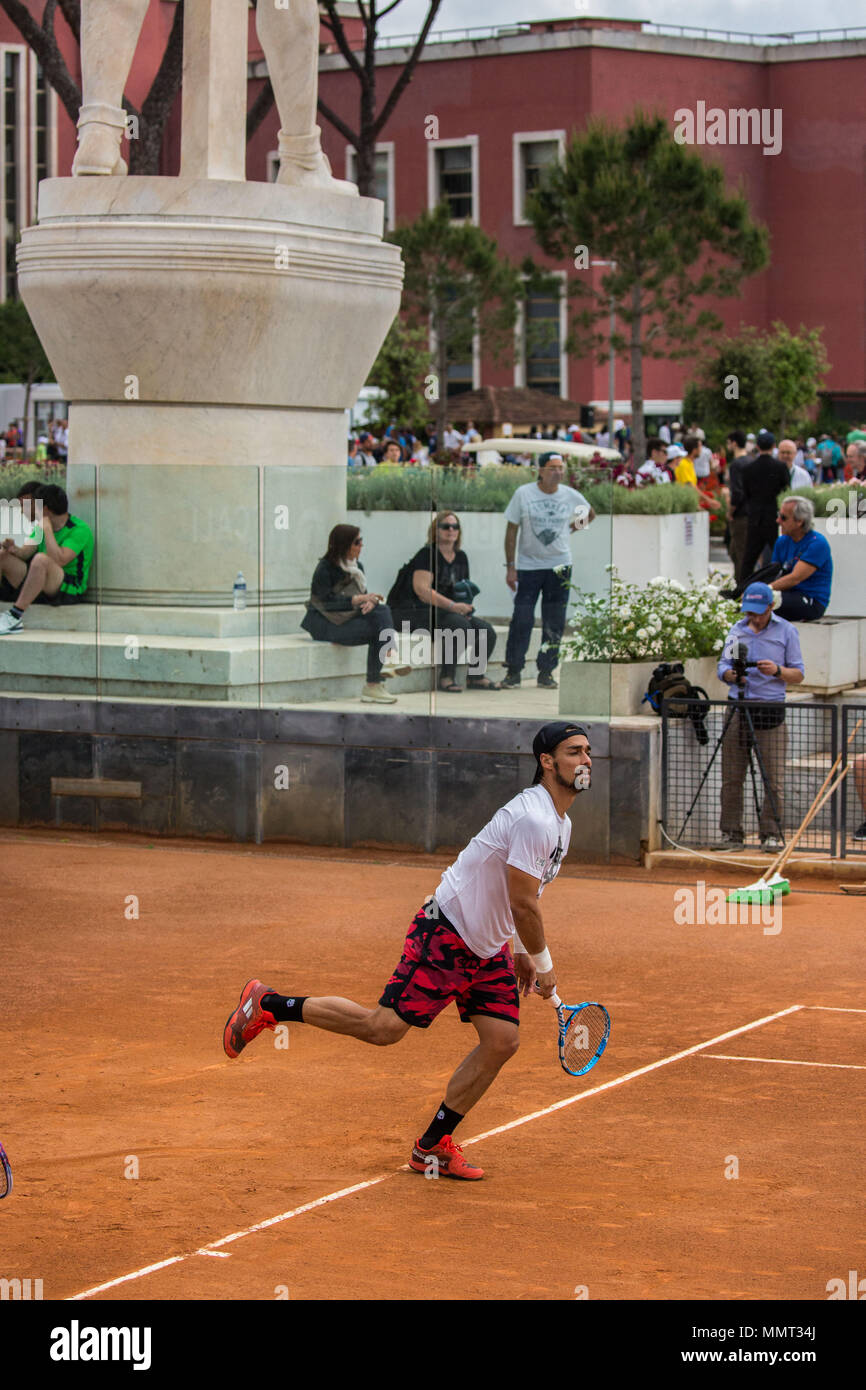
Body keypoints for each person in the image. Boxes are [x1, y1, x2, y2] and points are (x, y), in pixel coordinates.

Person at [223, 721, 593, 1180]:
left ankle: (432, 1147)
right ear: (546, 761)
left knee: (502, 1041)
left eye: (587, 752)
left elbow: (521, 895)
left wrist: (517, 948)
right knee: (383, 1029)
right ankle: (270, 1004)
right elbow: (523, 902)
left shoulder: (561, 823)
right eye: (574, 752)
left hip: (489, 945)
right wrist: (545, 966)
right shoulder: (534, 817)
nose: (585, 760)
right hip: (448, 932)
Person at [716, 582, 804, 851]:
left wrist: (777, 671)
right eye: (749, 612)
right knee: (732, 777)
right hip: (738, 708)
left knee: (772, 778)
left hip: (770, 710)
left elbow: (799, 674)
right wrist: (729, 675)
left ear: (771, 607)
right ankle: (731, 833)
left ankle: (771, 833)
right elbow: (723, 665)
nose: (752, 618)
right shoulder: (737, 630)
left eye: (757, 612)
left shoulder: (787, 631)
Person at [502, 452, 594, 689]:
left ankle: (546, 672)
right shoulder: (523, 494)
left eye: (561, 468)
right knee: (522, 618)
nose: (558, 472)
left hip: (560, 565)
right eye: (552, 468)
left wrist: (569, 529)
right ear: (540, 470)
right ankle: (513, 670)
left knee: (554, 620)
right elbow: (511, 530)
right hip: (528, 566)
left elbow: (589, 515)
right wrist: (510, 566)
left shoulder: (570, 495)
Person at [388, 511, 502, 693]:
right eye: (446, 526)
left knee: (485, 630)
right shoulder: (427, 554)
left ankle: (476, 676)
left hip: (443, 611)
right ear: (436, 530)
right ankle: (446, 677)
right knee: (459, 625)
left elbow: (461, 590)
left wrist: (465, 606)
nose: (451, 530)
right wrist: (453, 606)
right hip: (413, 611)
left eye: (455, 526)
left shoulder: (461, 557)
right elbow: (422, 590)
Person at [299, 524, 407, 705]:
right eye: (357, 542)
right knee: (379, 626)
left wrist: (370, 601)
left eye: (361, 541)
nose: (361, 546)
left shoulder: (358, 568)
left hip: (347, 620)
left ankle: (377, 682)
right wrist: (356, 600)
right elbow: (326, 603)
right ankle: (377, 679)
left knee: (382, 611)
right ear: (344, 544)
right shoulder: (325, 568)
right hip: (325, 624)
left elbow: (363, 598)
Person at [0, 483, 95, 633]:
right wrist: (13, 549)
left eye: (36, 506)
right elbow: (25, 552)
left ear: (45, 509)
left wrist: (48, 530)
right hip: (41, 581)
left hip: (69, 588)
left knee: (41, 560)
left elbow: (60, 560)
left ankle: (14, 617)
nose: (32, 510)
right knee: (3, 556)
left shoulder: (79, 529)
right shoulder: (41, 527)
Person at [738, 430, 791, 582]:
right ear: (774, 446)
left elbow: (746, 492)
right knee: (780, 554)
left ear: (757, 446)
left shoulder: (749, 468)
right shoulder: (780, 467)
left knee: (749, 558)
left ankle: (742, 590)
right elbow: (785, 491)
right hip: (774, 516)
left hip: (755, 516)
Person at [769, 496, 833, 622]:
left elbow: (795, 578)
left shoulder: (817, 543)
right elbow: (774, 574)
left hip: (811, 601)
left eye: (783, 517)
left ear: (800, 521)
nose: (778, 521)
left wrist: (764, 590)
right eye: (778, 515)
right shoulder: (782, 542)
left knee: (763, 601)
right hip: (787, 595)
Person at [725, 429, 750, 583]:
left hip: (740, 515)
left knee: (739, 553)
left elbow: (737, 492)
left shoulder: (736, 465)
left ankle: (741, 589)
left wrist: (730, 510)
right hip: (751, 513)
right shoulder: (751, 460)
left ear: (734, 443)